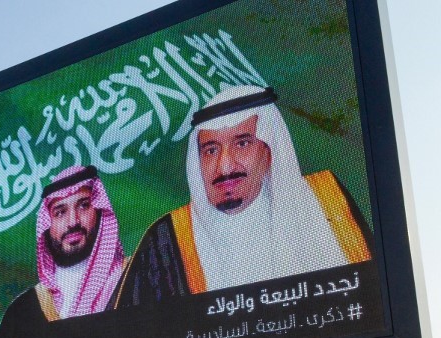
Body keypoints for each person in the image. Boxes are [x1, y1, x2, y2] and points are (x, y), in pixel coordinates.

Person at [116, 84, 372, 306]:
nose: (225, 167)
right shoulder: (167, 239)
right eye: (211, 150)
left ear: (268, 151)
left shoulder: (327, 200)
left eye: (242, 143)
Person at [0, 165, 125, 332]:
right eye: (60, 212)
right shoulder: (22, 311)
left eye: (83, 206)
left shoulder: (134, 275)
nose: (73, 221)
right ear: (47, 225)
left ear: (99, 211)